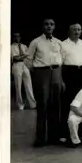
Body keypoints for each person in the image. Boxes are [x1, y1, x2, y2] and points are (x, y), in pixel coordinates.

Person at [26, 18, 64, 147]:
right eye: (46, 24)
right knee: (42, 105)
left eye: (51, 24)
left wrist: (60, 76)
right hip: (42, 73)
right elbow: (28, 59)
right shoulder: (35, 42)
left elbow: (62, 59)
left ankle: (54, 137)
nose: (49, 26)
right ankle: (40, 138)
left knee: (56, 105)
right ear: (43, 26)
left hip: (56, 72)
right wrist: (36, 73)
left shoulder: (58, 42)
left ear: (54, 27)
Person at [60, 23, 82, 143]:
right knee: (69, 103)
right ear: (69, 31)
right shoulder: (62, 44)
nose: (76, 32)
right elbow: (61, 64)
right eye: (74, 30)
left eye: (79, 29)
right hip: (69, 73)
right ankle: (65, 133)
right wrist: (62, 79)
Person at [11, 32, 36, 110]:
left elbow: (29, 57)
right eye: (15, 36)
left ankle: (32, 104)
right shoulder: (11, 47)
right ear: (13, 37)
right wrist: (23, 56)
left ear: (20, 37)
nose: (17, 38)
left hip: (25, 65)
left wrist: (22, 57)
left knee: (29, 85)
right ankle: (20, 104)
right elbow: (15, 58)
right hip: (17, 65)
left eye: (18, 36)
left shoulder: (24, 46)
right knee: (18, 86)